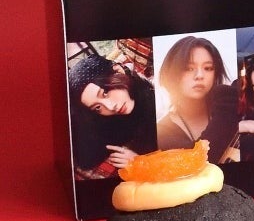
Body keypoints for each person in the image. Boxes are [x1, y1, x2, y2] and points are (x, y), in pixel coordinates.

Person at [68, 50, 157, 178]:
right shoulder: (115, 121)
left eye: (105, 92)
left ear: (118, 70)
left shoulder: (159, 97)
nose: (111, 107)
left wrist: (142, 163)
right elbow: (87, 158)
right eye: (97, 107)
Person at [156, 35, 239, 164]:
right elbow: (194, 166)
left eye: (208, 68)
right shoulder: (162, 133)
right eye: (189, 68)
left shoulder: (230, 106)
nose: (199, 75)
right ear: (172, 73)